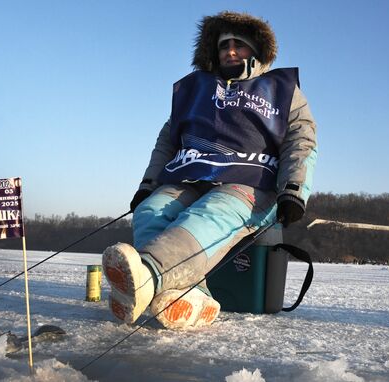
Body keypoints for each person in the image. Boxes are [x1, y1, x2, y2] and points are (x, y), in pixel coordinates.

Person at [102, 11, 317, 329]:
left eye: (238, 45)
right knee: (151, 210)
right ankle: (193, 297)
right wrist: (148, 184)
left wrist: (294, 190)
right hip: (192, 175)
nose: (230, 51)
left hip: (252, 183)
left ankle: (149, 275)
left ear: (255, 50)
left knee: (208, 215)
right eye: (223, 45)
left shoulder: (281, 90)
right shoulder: (198, 92)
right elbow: (167, 140)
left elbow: (302, 140)